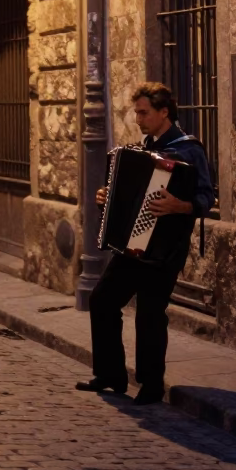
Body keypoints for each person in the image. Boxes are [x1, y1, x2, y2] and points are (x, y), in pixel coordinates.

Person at [75, 81, 215, 405]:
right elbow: (126, 195)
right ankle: (111, 375)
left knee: (150, 313)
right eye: (136, 112)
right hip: (134, 243)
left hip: (167, 248)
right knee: (103, 299)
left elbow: (206, 197)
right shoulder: (144, 148)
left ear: (164, 112)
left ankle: (151, 385)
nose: (138, 119)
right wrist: (105, 199)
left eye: (143, 112)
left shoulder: (189, 150)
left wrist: (178, 206)